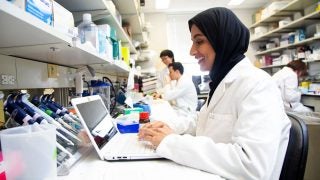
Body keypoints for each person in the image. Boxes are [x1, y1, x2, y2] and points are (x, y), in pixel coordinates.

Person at [138, 7, 291, 180]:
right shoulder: (221, 80)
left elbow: (251, 165)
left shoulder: (258, 85)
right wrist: (169, 127)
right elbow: (203, 120)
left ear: (223, 39)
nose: (191, 51)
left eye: (199, 41)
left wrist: (170, 142)